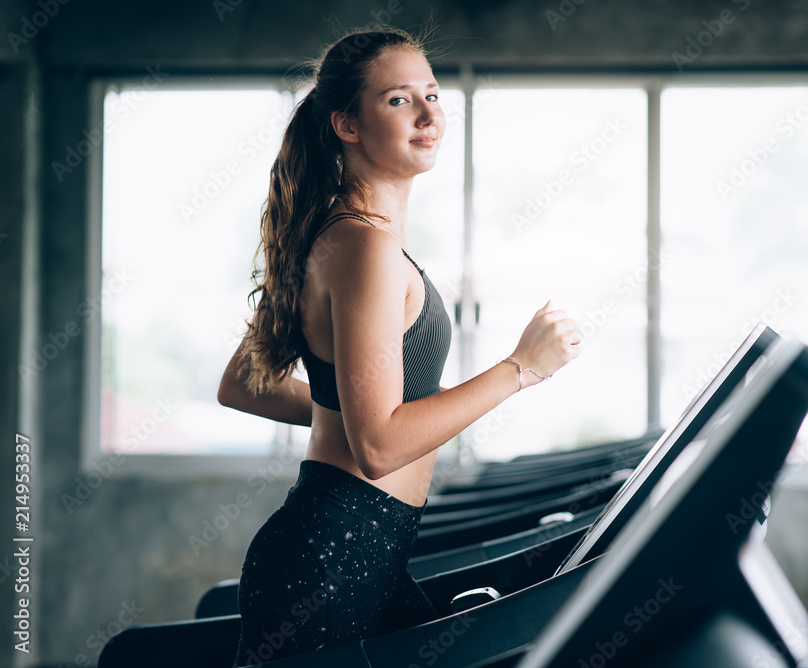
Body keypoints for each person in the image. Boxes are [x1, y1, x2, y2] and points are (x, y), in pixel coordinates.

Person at [217, 27, 583, 666]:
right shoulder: (365, 248)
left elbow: (248, 384)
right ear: (346, 125)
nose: (428, 113)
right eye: (397, 99)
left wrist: (347, 415)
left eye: (433, 94)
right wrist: (521, 369)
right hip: (335, 553)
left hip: (363, 549)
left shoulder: (333, 232)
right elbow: (381, 446)